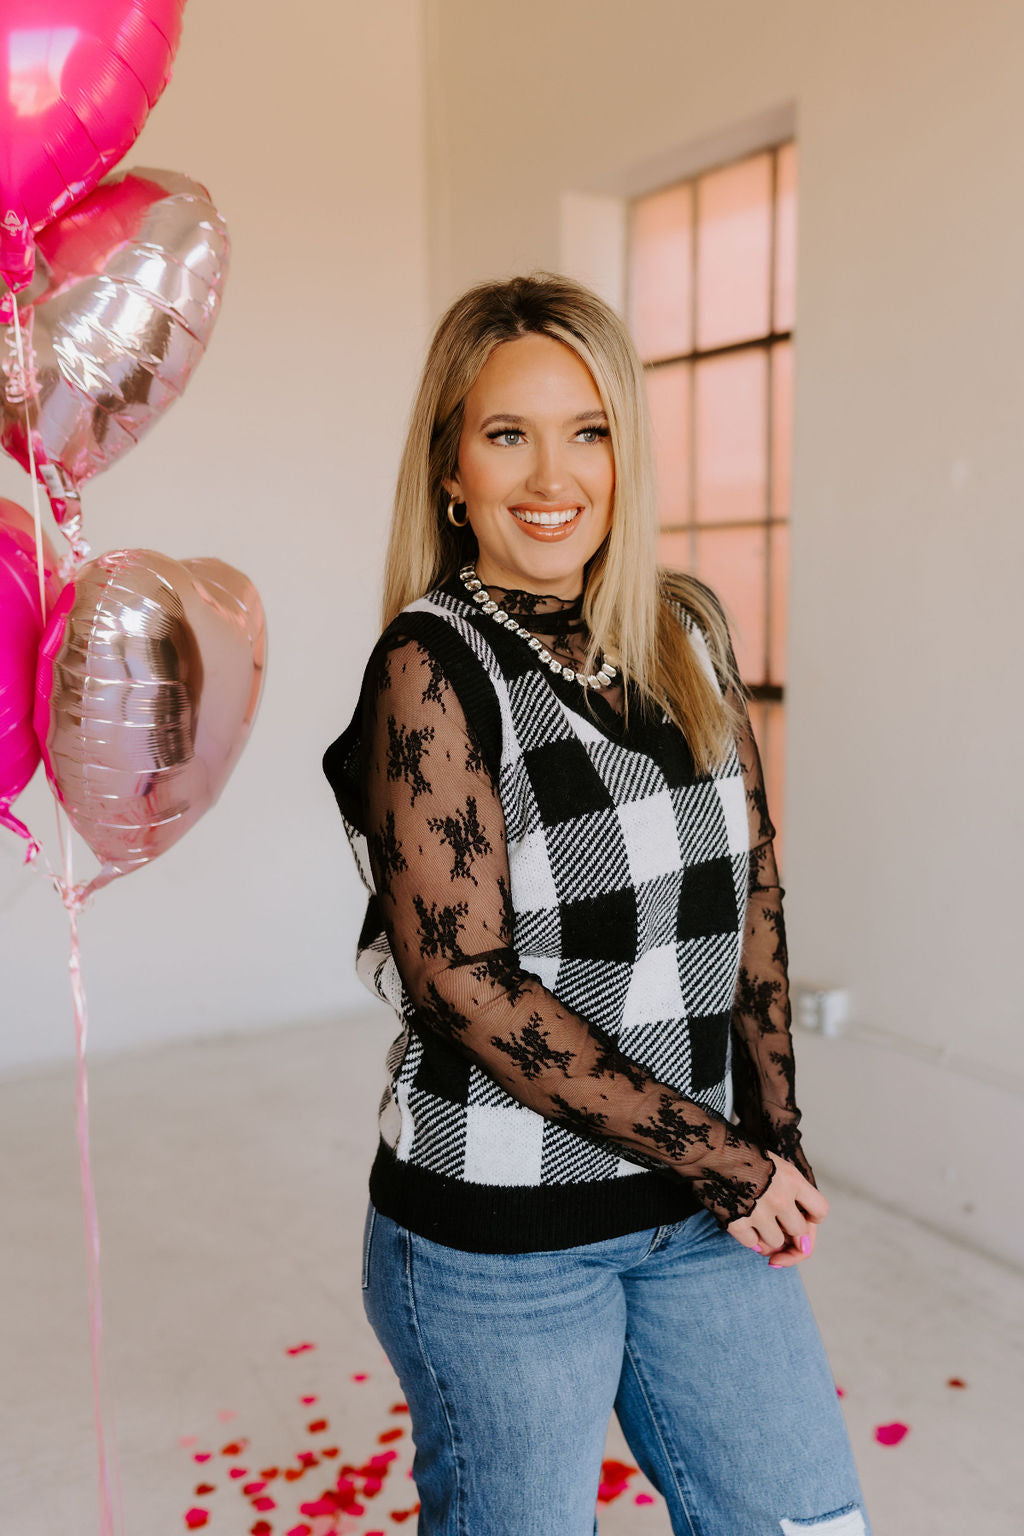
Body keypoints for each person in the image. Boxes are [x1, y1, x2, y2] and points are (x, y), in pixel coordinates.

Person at [323, 272, 871, 1536]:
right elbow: (465, 983)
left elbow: (755, 889)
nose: (549, 473)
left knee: (806, 1523)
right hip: (500, 1240)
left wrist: (775, 1136)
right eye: (507, 433)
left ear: (626, 454)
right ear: (452, 468)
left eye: (588, 430)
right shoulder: (430, 665)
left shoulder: (685, 627)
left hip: (694, 1206)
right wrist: (725, 1157)